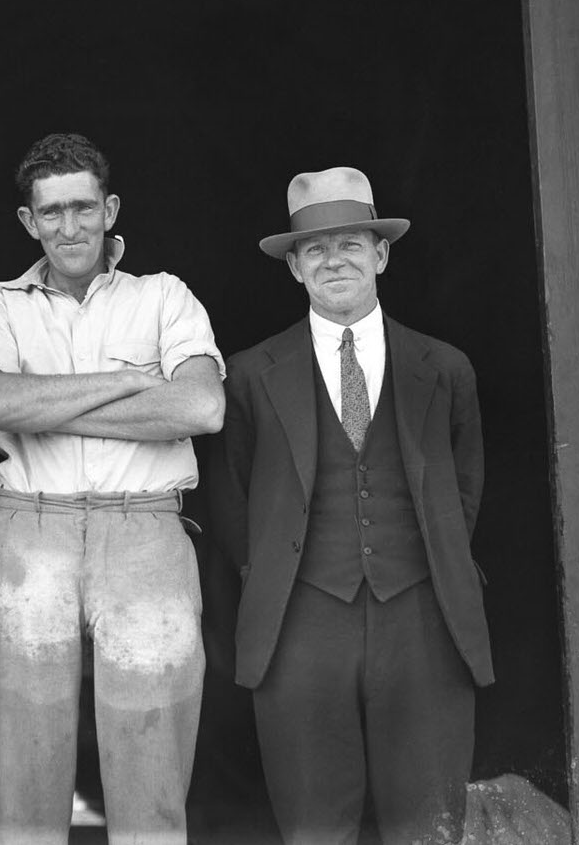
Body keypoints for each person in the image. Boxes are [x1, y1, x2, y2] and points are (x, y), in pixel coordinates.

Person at [209, 167, 492, 845]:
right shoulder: (249, 374)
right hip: (299, 625)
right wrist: (281, 577)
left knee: (428, 824)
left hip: (424, 617)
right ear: (294, 268)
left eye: (351, 243)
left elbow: (465, 488)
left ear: (382, 253)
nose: (333, 259)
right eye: (315, 248)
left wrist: (426, 566)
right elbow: (232, 497)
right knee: (314, 827)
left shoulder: (444, 367)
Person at [0, 132, 225, 845]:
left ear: (109, 209)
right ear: (28, 222)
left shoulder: (165, 297)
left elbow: (200, 408)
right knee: (25, 777)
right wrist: (128, 381)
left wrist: (45, 403)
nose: (68, 228)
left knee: (152, 774)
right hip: (28, 534)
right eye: (51, 214)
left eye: (82, 209)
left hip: (145, 531)